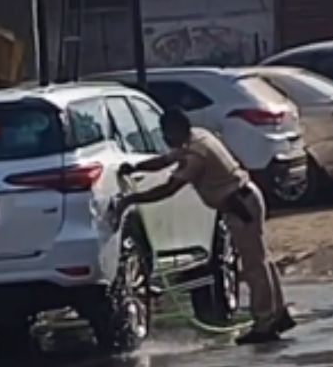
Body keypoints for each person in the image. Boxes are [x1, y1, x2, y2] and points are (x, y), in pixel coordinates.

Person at [114, 108, 295, 345]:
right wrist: (136, 168)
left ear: (177, 130)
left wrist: (131, 200)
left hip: (240, 206)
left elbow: (169, 188)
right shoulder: (198, 137)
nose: (165, 138)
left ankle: (265, 323)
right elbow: (165, 160)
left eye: (167, 133)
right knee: (261, 261)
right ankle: (278, 314)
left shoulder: (195, 155)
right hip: (245, 199)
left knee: (255, 267)